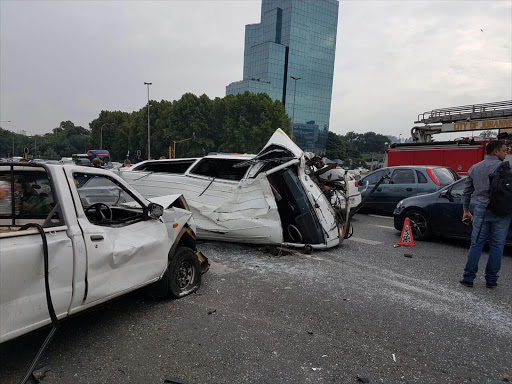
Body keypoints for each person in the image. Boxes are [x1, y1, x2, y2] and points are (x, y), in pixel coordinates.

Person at [460, 140, 511, 289]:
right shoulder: (506, 168)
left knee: (476, 244)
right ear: (495, 151)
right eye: (504, 150)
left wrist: (466, 210)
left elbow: (467, 191)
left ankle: (468, 278)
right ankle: (491, 280)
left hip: (481, 210)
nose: (505, 153)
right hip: (502, 212)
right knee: (497, 245)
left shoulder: (475, 168)